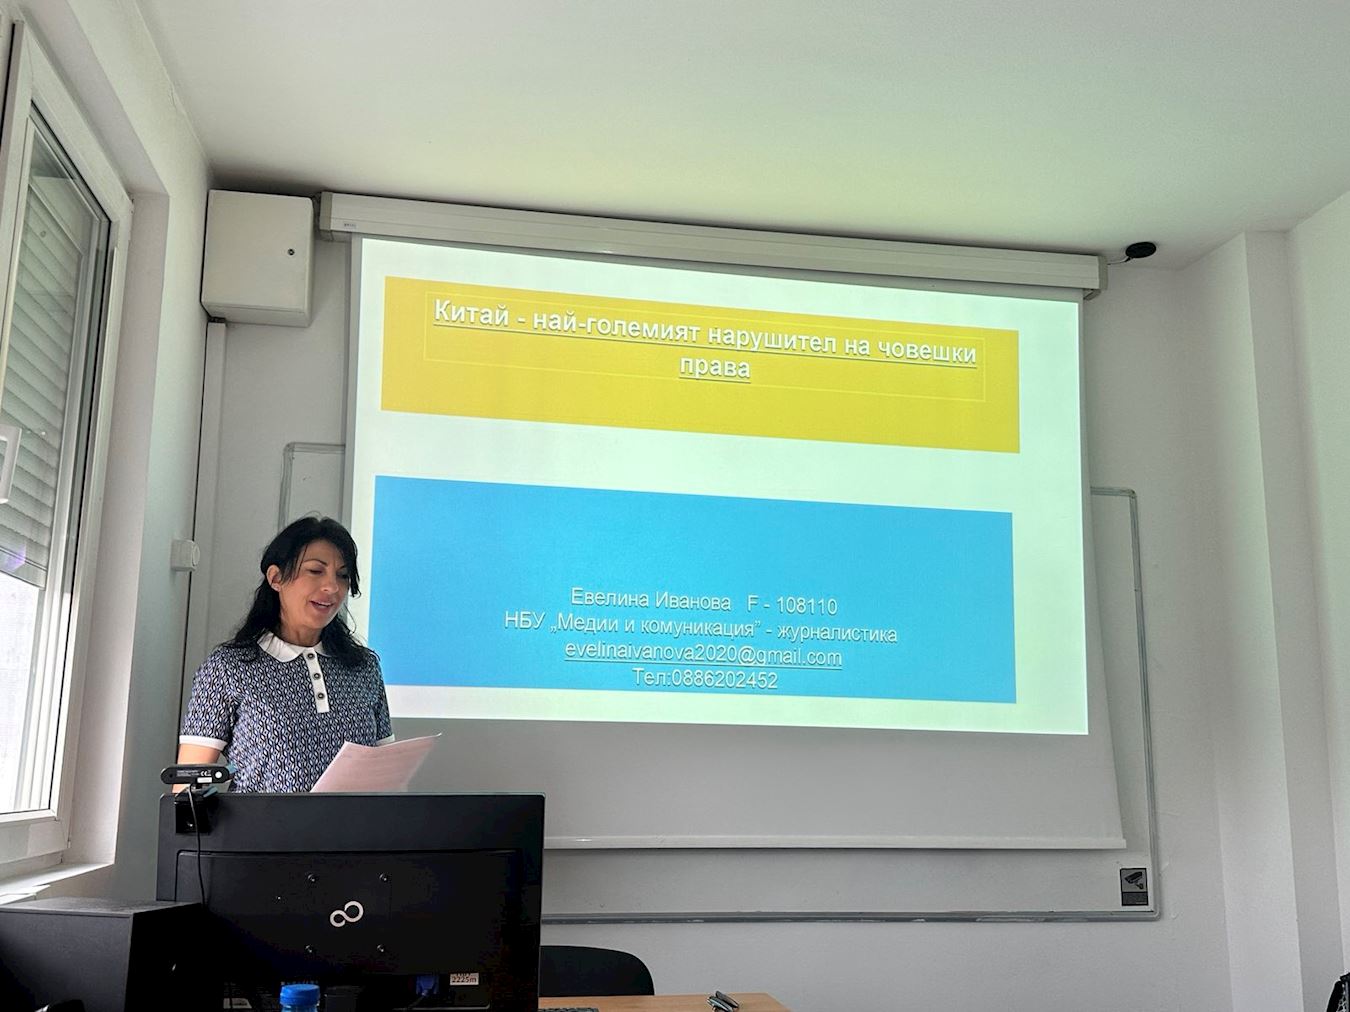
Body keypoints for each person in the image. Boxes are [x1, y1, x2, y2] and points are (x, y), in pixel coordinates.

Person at [176, 516, 392, 792]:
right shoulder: (228, 668)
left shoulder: (364, 666)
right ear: (276, 578)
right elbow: (186, 789)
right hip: (259, 821)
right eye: (316, 571)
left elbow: (387, 774)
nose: (332, 587)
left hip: (355, 822)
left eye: (343, 575)